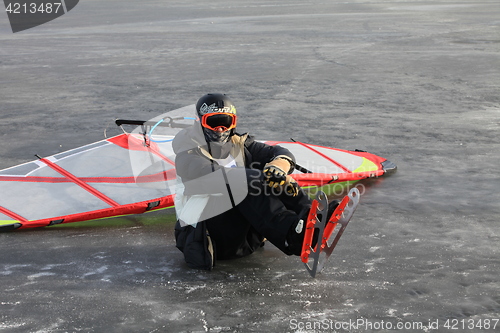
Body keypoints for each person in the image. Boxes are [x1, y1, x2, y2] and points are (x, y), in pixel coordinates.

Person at [173, 93, 326, 270]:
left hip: (244, 239)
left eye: (226, 122)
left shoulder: (240, 145)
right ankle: (292, 238)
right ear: (199, 123)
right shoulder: (187, 155)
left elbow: (278, 151)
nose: (220, 129)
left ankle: (309, 218)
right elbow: (223, 178)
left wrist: (279, 167)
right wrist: (264, 177)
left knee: (274, 177)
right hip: (206, 236)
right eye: (213, 122)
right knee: (247, 183)